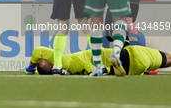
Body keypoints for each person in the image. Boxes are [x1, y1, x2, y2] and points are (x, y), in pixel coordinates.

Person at [21, 45, 171, 76]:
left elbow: (88, 68)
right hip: (132, 54)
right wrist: (30, 67)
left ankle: (147, 70)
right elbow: (37, 51)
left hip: (133, 70)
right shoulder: (65, 61)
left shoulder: (69, 69)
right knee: (167, 57)